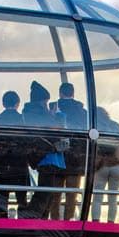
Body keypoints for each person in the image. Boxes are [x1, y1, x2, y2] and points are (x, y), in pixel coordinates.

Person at [22, 81, 66, 219]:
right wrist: (55, 115)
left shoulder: (31, 112)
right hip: (46, 156)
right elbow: (56, 128)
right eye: (45, 102)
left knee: (47, 191)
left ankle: (40, 218)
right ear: (40, 101)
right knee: (46, 191)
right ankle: (33, 216)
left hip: (43, 157)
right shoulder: (38, 113)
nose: (47, 105)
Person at [53, 82, 88, 218]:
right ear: (73, 94)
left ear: (60, 93)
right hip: (76, 159)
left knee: (54, 194)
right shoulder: (83, 112)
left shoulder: (54, 109)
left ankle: (54, 223)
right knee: (71, 195)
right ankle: (68, 222)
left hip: (58, 156)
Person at [89, 105, 119, 223]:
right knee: (113, 198)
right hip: (118, 166)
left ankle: (95, 222)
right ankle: (111, 222)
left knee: (97, 198)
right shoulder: (116, 125)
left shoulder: (95, 125)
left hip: (102, 165)